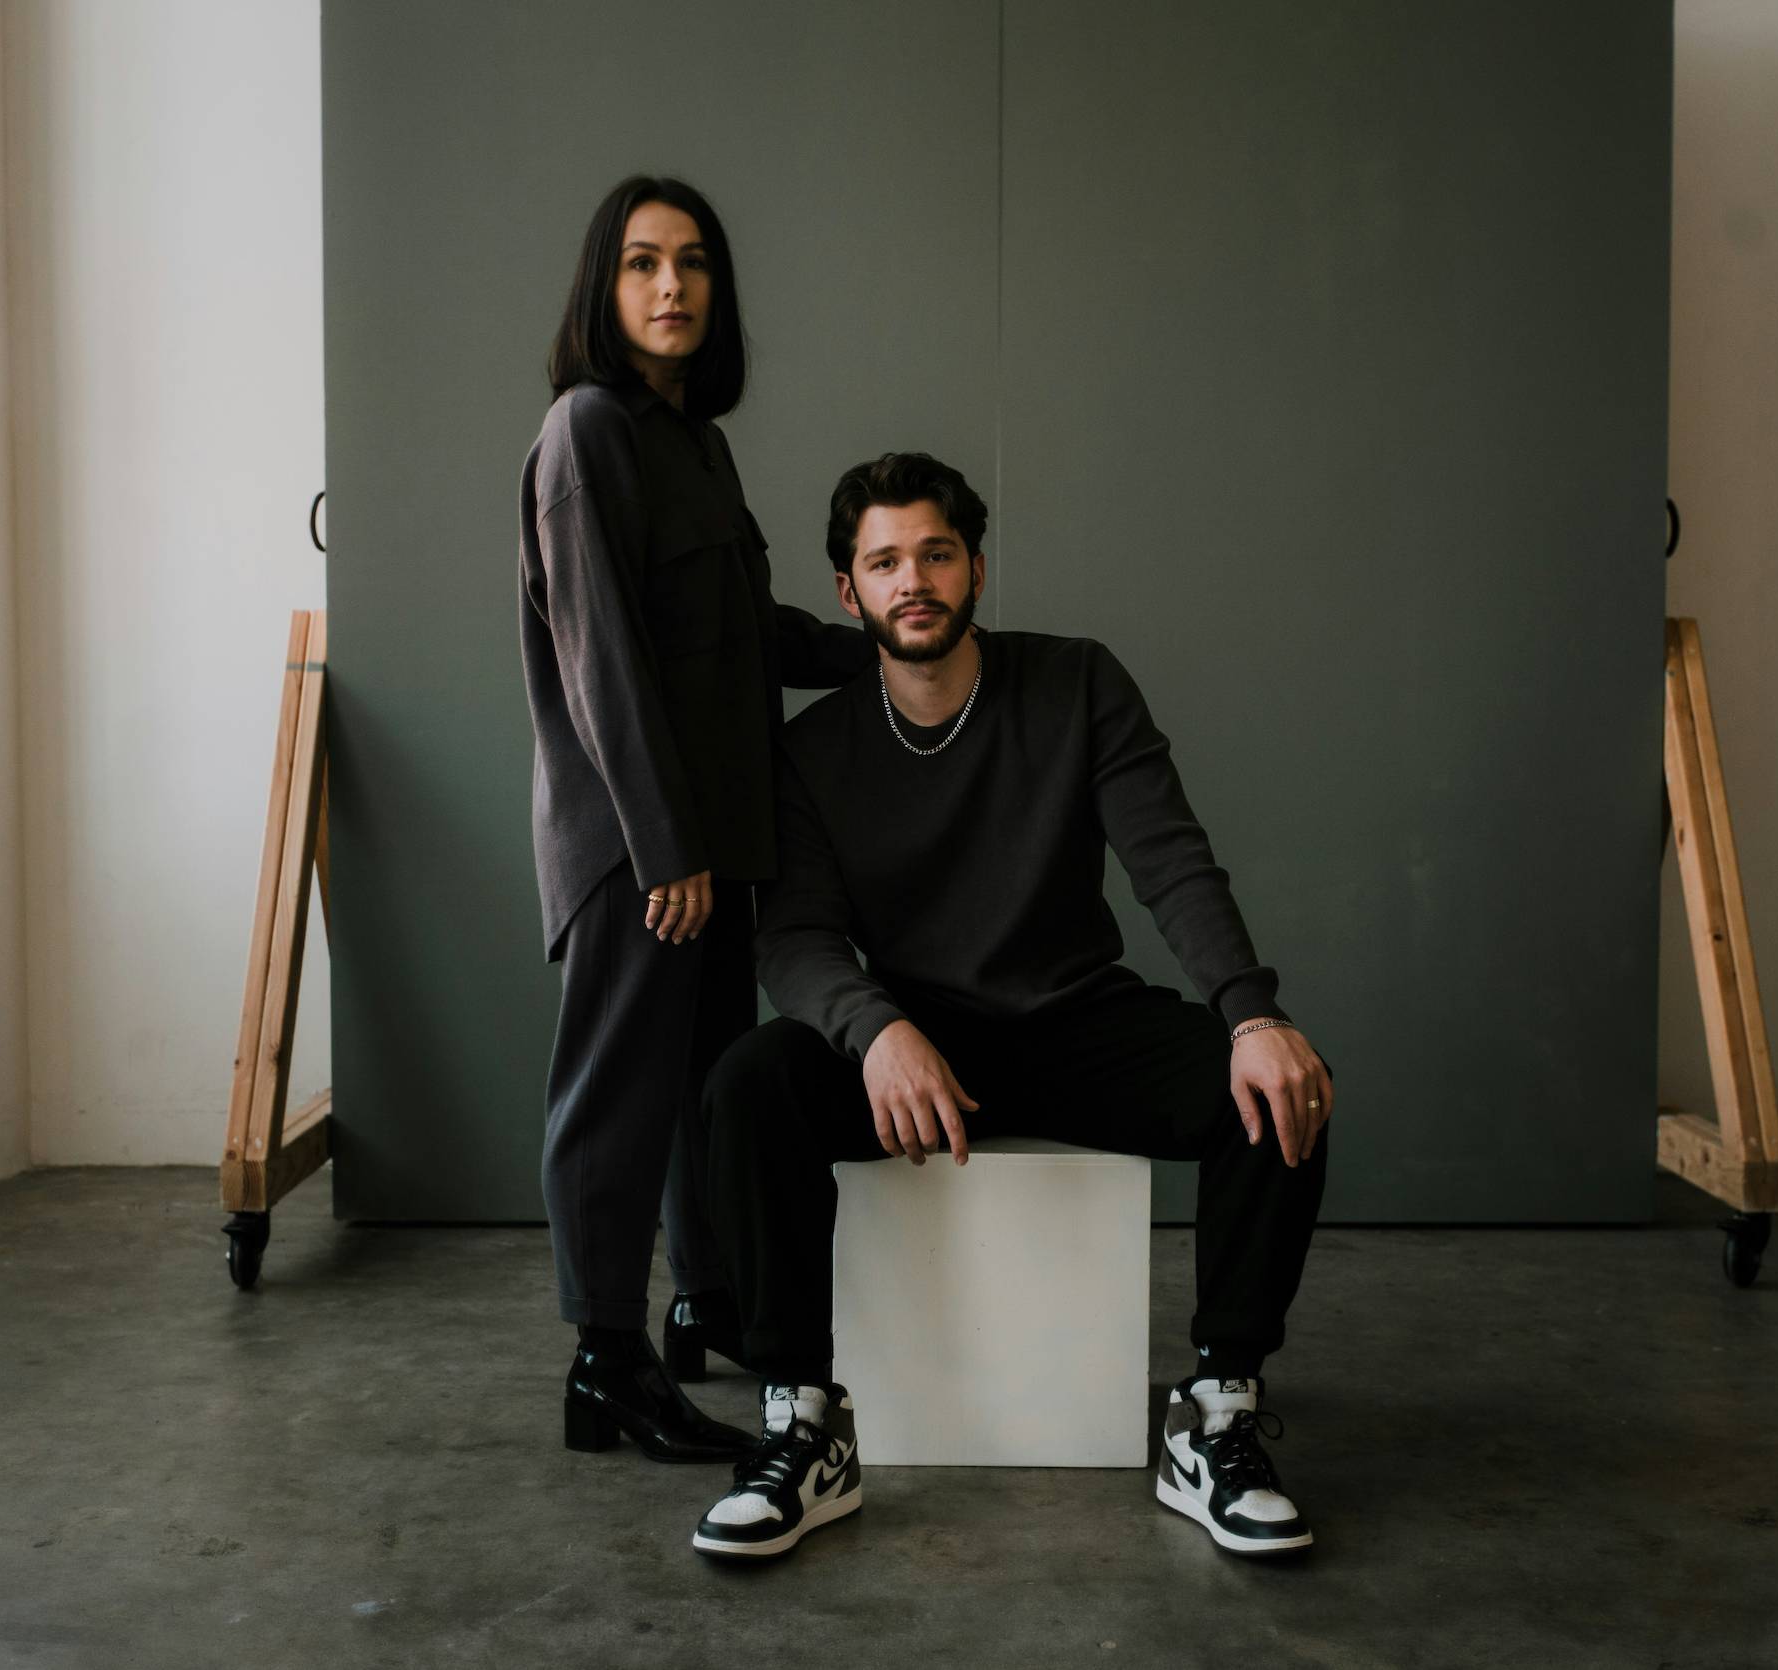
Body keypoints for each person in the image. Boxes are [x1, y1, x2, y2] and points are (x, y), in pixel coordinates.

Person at [688, 452, 1334, 1558]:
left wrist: (1248, 1009)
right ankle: (805, 1421)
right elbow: (792, 936)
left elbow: (1170, 860)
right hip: (911, 1045)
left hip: (1073, 1019)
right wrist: (878, 1028)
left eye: (935, 552)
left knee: (1272, 1089)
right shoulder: (811, 749)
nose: (913, 580)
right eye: (883, 561)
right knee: (752, 1084)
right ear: (848, 593)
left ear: (975, 567)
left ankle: (1215, 1410)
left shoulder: (1075, 682)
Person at [515, 176, 871, 1463]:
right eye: (641, 263)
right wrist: (663, 849)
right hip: (639, 851)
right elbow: (599, 655)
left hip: (717, 849)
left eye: (695, 263)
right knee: (616, 1099)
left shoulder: (696, 447)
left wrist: (876, 643)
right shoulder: (586, 433)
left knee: (705, 1098)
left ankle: (703, 1306)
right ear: (602, 293)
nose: (672, 286)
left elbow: (741, 633)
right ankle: (604, 1362)